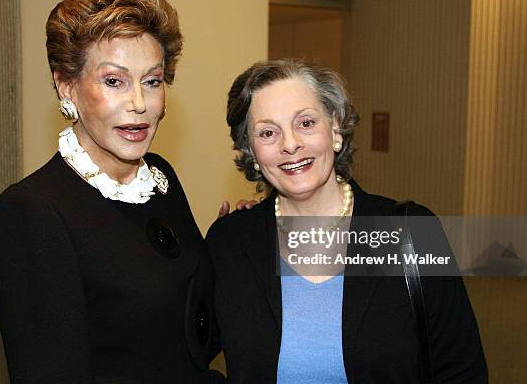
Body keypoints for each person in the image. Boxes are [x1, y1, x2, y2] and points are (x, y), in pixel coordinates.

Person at [0, 0, 223, 383]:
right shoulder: (32, 211)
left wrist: (231, 240)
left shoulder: (160, 177)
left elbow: (188, 332)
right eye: (114, 81)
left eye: (152, 81)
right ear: (67, 86)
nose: (138, 104)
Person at [206, 60, 488, 383]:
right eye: (268, 132)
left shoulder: (411, 234)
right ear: (252, 151)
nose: (290, 144)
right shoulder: (229, 244)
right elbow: (181, 355)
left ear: (335, 129)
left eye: (306, 123)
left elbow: (462, 371)